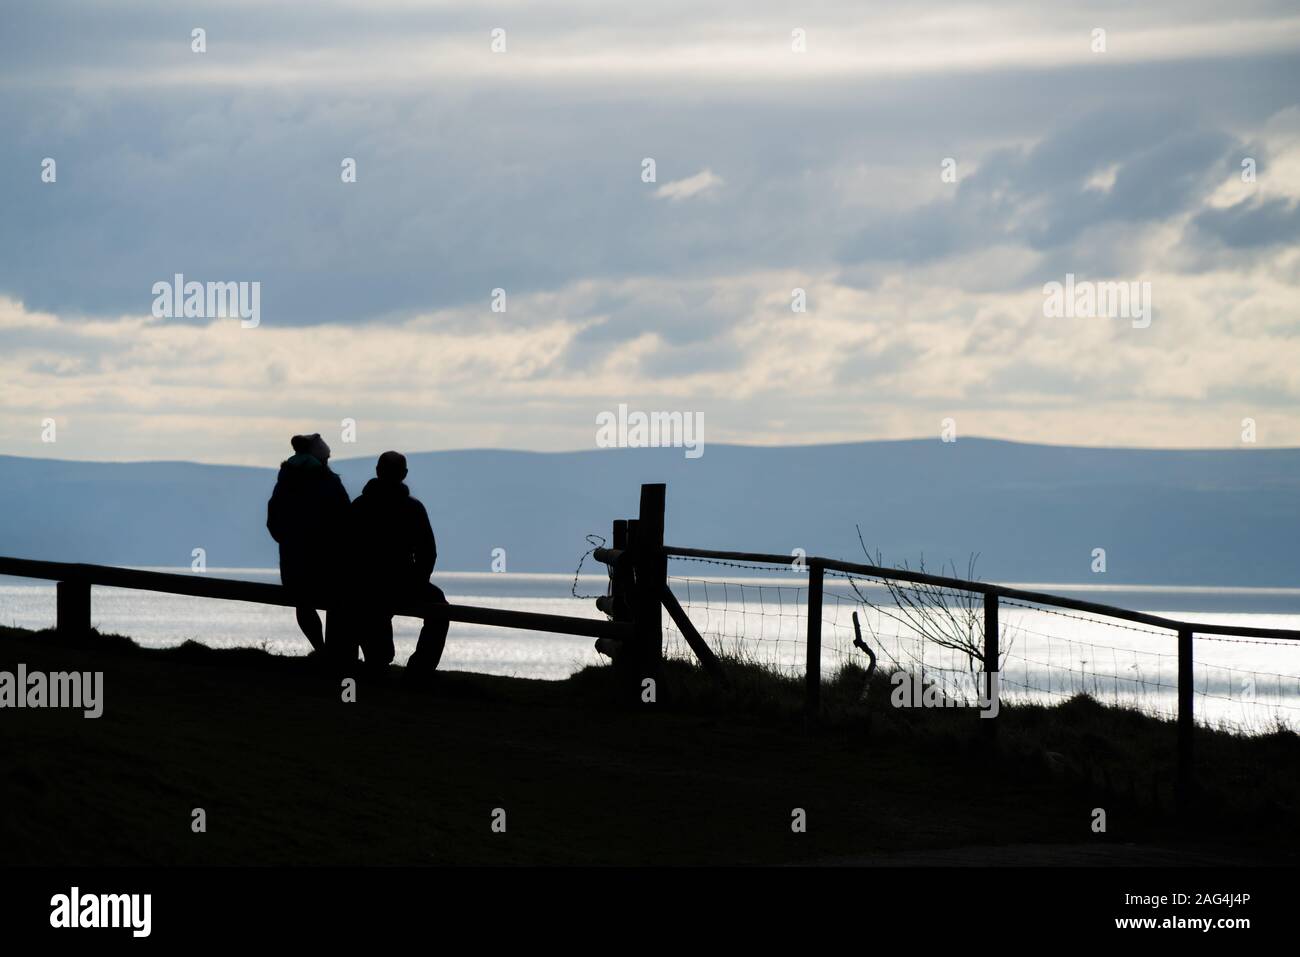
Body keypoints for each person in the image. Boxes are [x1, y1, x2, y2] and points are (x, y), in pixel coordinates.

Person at [343, 451, 449, 676]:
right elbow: (427, 552)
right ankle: (420, 668)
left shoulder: (360, 506)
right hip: (402, 581)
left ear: (377, 471)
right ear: (405, 474)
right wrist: (417, 581)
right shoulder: (413, 508)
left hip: (366, 583)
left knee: (379, 650)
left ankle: (379, 662)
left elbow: (346, 549)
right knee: (440, 608)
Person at [266, 433, 351, 653]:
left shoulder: (284, 481)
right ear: (322, 459)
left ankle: (320, 649)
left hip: (293, 562)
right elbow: (345, 520)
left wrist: (289, 541)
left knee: (303, 604)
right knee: (337, 603)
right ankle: (333, 654)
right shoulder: (329, 482)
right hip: (327, 563)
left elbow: (273, 521)